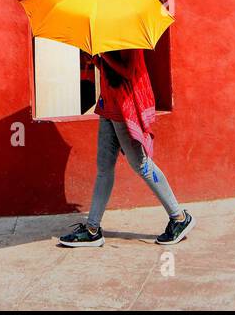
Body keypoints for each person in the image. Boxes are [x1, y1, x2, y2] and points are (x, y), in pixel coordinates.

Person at [58, 47, 193, 247]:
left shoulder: (128, 39)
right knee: (104, 168)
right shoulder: (107, 34)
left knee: (141, 165)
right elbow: (110, 69)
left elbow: (128, 71)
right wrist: (95, 59)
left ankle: (179, 218)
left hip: (124, 108)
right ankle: (92, 229)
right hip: (107, 106)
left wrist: (103, 55)